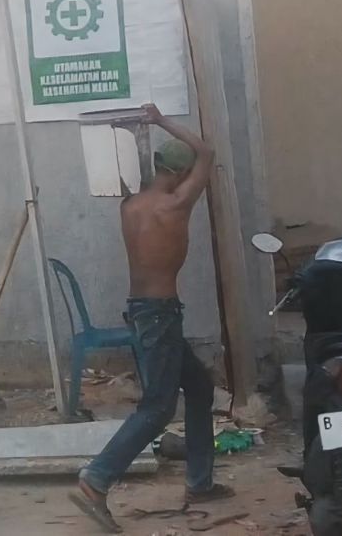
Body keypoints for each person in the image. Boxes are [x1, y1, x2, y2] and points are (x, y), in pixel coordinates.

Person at [70, 103, 233, 532]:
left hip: (145, 311)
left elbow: (173, 165)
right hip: (160, 315)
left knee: (199, 389)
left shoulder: (130, 205)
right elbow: (207, 152)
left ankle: (200, 483)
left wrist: (145, 131)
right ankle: (96, 480)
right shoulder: (177, 204)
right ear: (180, 174)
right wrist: (160, 120)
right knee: (158, 408)